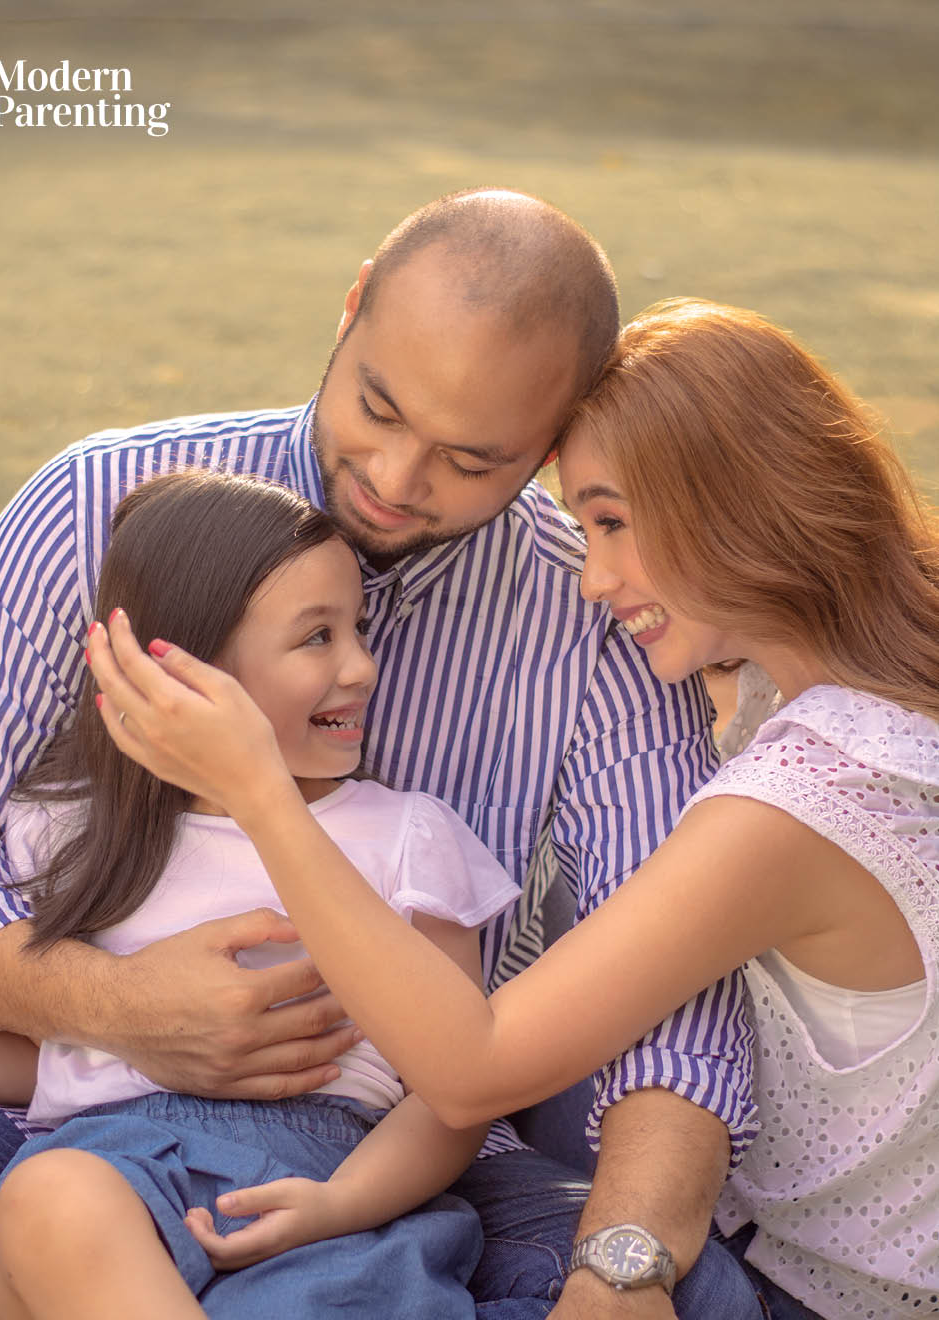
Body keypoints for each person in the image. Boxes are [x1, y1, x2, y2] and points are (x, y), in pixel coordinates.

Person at [0, 190, 746, 1319]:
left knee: (687, 1296)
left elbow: (672, 980)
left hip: (397, 1150)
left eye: (470, 456)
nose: (398, 481)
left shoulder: (592, 612)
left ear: (552, 441)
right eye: (379, 405)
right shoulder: (91, 507)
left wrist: (628, 1263)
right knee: (44, 1210)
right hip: (63, 1125)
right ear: (352, 304)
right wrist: (112, 1006)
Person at [79, 299, 939, 1320]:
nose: (593, 578)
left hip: (826, 1289)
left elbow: (469, 1070)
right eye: (583, 528)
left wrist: (259, 792)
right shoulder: (845, 703)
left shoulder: (798, 801)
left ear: (739, 501)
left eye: (614, 522)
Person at [0, 470, 522, 1319]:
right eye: (318, 637)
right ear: (190, 667)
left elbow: (457, 1087)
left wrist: (346, 1203)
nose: (362, 665)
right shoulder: (77, 834)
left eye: (358, 627)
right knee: (54, 1198)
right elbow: (66, 1057)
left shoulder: (406, 838)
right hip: (113, 1175)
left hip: (332, 1190)